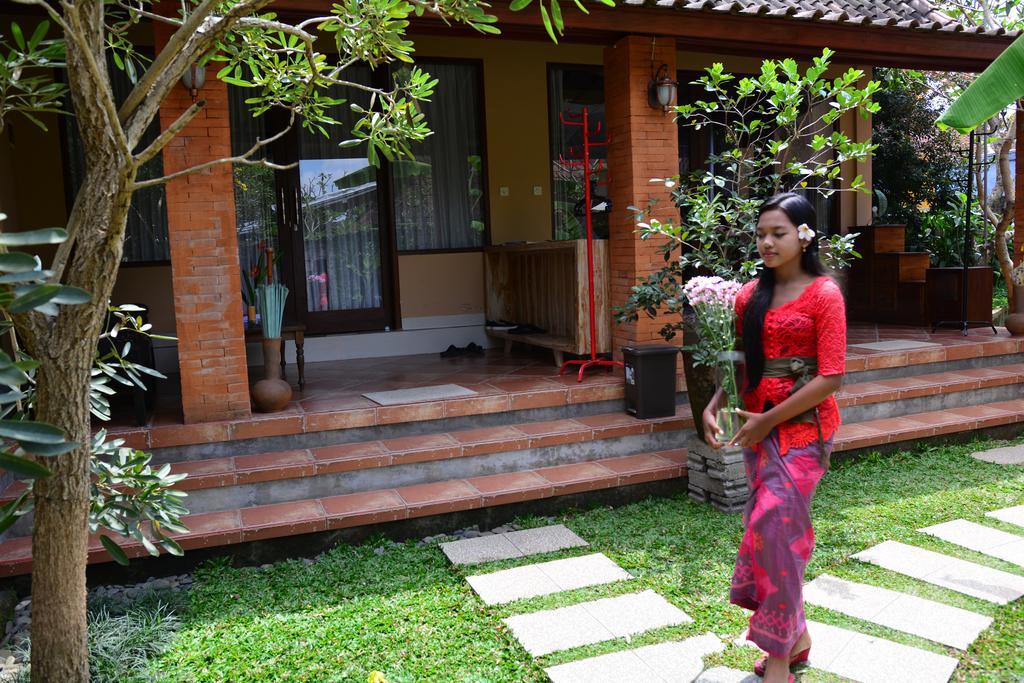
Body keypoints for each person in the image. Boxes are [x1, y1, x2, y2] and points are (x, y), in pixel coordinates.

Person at [702, 192, 846, 683]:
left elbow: (831, 377)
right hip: (756, 427)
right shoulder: (749, 295)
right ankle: (798, 639)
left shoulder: (825, 295)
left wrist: (768, 421)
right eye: (761, 233)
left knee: (776, 533)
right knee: (771, 537)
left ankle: (779, 661)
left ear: (805, 237)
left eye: (777, 233)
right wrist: (717, 402)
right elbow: (744, 360)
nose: (766, 242)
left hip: (805, 433)